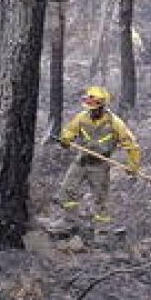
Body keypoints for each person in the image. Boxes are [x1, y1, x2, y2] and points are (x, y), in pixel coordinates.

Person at [54, 85, 142, 225]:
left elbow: (132, 145)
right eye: (89, 108)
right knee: (67, 192)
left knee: (101, 201)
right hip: (81, 161)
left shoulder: (115, 123)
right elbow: (70, 131)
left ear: (102, 106)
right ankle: (69, 222)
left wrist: (133, 165)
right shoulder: (82, 118)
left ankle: (102, 231)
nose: (91, 111)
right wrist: (65, 139)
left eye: (94, 108)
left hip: (100, 165)